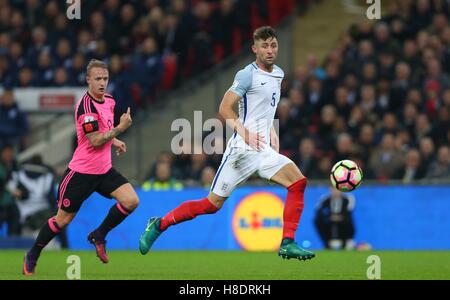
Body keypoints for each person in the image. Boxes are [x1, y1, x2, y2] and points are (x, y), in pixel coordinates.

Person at [139, 26, 315, 261]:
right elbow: (224, 108)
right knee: (211, 205)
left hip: (263, 149)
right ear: (254, 49)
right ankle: (159, 224)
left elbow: (264, 109)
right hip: (241, 150)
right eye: (264, 46)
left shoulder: (279, 74)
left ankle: (287, 242)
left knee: (298, 183)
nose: (270, 50)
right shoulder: (246, 75)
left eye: (273, 45)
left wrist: (272, 131)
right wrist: (245, 133)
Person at [22, 59, 139, 276]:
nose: (102, 83)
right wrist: (120, 129)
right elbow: (94, 140)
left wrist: (115, 140)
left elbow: (104, 129)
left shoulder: (110, 101)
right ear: (88, 81)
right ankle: (33, 254)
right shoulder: (85, 106)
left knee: (131, 200)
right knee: (62, 220)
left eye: (105, 78)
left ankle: (99, 234)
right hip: (81, 173)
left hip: (104, 171)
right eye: (98, 79)